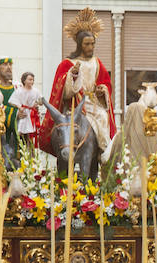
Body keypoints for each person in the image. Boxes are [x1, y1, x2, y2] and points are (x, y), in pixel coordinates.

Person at [40, 7, 116, 158]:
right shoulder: (68, 64)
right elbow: (62, 90)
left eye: (93, 43)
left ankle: (103, 152)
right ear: (80, 44)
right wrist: (72, 76)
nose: (90, 47)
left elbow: (106, 83)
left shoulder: (97, 63)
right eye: (87, 44)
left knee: (102, 116)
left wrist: (102, 90)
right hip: (75, 105)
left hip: (94, 104)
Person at [8, 71, 42, 144]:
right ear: (24, 80)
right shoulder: (19, 91)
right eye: (30, 79)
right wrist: (19, 106)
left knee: (32, 133)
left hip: (32, 113)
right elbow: (12, 100)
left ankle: (31, 150)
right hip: (25, 113)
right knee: (23, 132)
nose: (32, 81)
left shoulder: (35, 91)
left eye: (33, 80)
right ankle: (23, 148)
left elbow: (40, 99)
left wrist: (37, 103)